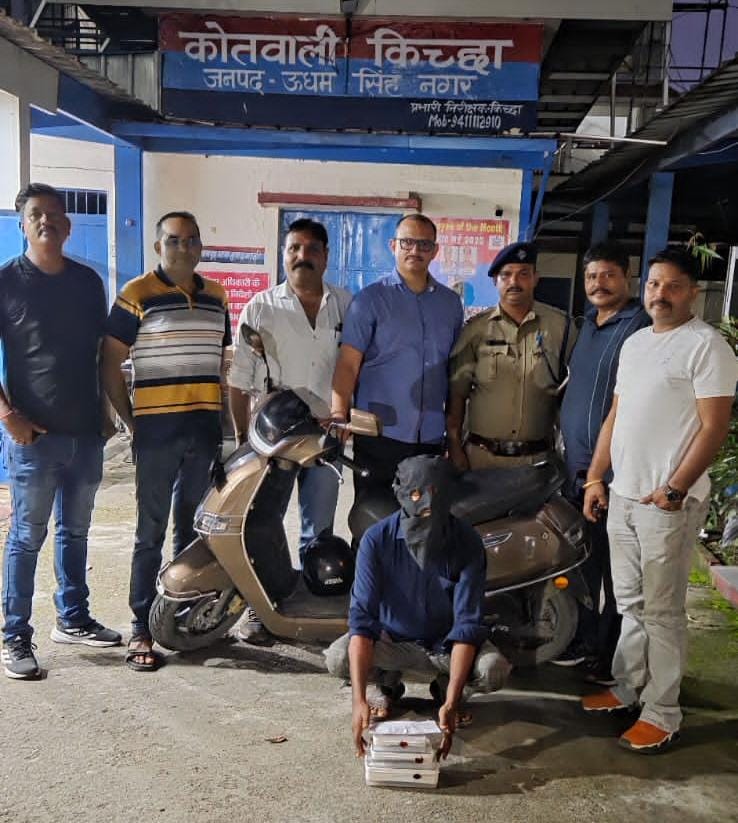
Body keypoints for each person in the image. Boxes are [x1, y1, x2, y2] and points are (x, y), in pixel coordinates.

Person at [581, 247, 737, 753]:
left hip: (667, 503)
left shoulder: (707, 346)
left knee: (663, 611)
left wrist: (675, 488)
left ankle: (663, 711)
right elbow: (616, 415)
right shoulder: (637, 343)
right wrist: (596, 477)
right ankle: (628, 688)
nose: (660, 294)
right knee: (630, 604)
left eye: (672, 285)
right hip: (624, 495)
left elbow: (714, 427)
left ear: (692, 292)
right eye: (653, 284)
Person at [0, 183, 121, 680]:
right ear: (22, 224)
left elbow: (101, 354)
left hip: (86, 433)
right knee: (27, 535)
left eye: (54, 213)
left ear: (68, 225)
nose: (46, 220)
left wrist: (107, 413)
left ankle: (72, 618)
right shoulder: (7, 282)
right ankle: (14, 634)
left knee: (75, 530)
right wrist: (8, 416)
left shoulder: (88, 283)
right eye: (36, 214)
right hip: (35, 437)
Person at [103, 211, 230, 671]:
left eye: (192, 240)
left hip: (203, 431)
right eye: (174, 240)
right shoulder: (137, 294)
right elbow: (109, 362)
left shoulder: (217, 296)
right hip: (157, 433)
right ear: (159, 246)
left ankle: (179, 619)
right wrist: (132, 423)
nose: (184, 247)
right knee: (150, 531)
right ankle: (141, 625)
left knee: (192, 531)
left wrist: (227, 430)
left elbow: (219, 367)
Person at [324, 455, 511, 757]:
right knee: (338, 657)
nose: (426, 505)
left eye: (436, 494)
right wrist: (358, 701)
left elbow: (467, 624)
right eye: (415, 495)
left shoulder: (467, 541)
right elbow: (362, 621)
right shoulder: (376, 540)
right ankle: (383, 686)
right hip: (393, 642)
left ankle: (447, 689)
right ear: (400, 495)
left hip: (445, 646)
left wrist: (452, 702)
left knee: (493, 669)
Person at [228, 218, 350, 643]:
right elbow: (239, 379)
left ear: (326, 256)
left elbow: (356, 368)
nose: (302, 256)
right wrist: (242, 440)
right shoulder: (261, 307)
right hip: (274, 440)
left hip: (325, 439)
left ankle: (312, 603)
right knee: (263, 523)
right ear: (283, 254)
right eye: (294, 248)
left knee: (319, 527)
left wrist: (347, 420)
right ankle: (259, 609)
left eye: (312, 249)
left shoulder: (345, 305)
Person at [555, 241, 650, 676]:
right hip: (577, 472)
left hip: (615, 474)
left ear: (627, 277)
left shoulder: (640, 326)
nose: (599, 283)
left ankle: (611, 653)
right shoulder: (587, 327)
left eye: (609, 274)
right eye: (592, 276)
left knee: (618, 572)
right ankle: (586, 638)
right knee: (584, 562)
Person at [331, 214, 463, 503]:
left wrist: (452, 431)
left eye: (424, 244)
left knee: (423, 519)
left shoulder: (450, 304)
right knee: (373, 515)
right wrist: (339, 415)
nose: (415, 250)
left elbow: (454, 371)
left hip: (430, 437)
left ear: (435, 251)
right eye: (407, 242)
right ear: (393, 246)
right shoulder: (369, 300)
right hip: (379, 434)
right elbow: (348, 363)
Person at [447, 242, 572, 471]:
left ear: (535, 278)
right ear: (495, 281)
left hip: (538, 462)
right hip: (482, 460)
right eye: (506, 275)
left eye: (523, 274)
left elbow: (574, 391)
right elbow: (457, 394)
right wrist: (454, 446)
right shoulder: (475, 330)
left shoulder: (562, 327)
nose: (514, 282)